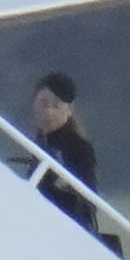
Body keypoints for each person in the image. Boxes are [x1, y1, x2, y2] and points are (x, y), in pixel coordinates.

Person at [31, 71, 102, 234]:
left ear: (69, 111)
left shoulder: (80, 147)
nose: (48, 112)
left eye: (56, 106)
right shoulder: (39, 142)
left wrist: (64, 184)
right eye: (43, 103)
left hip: (64, 230)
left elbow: (90, 201)